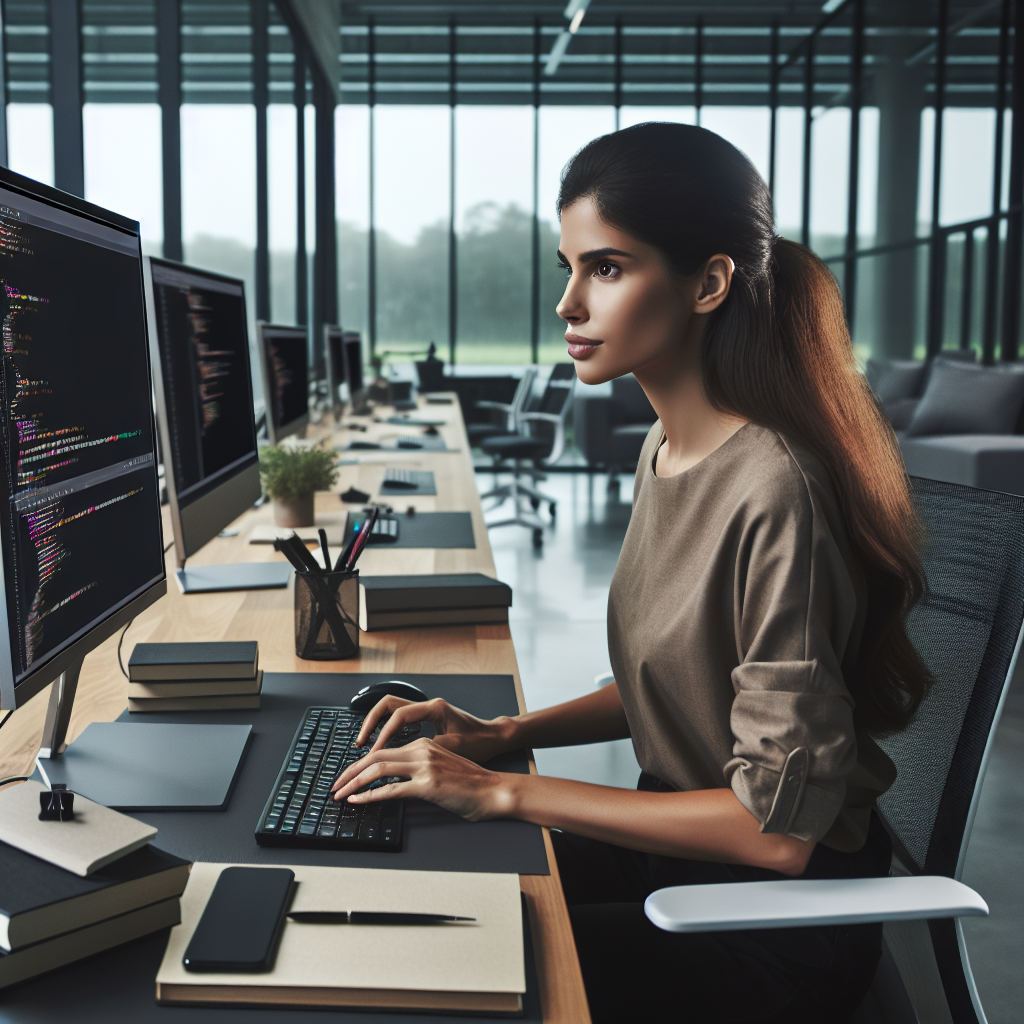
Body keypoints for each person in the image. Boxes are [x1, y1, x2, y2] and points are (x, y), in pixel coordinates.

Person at [331, 123, 930, 1023]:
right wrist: (500, 732)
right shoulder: (666, 448)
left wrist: (506, 786)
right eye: (568, 267)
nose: (569, 303)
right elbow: (679, 676)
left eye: (606, 268)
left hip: (766, 933)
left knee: (449, 976)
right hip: (679, 862)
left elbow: (775, 835)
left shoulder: (778, 490)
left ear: (709, 283)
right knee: (409, 870)